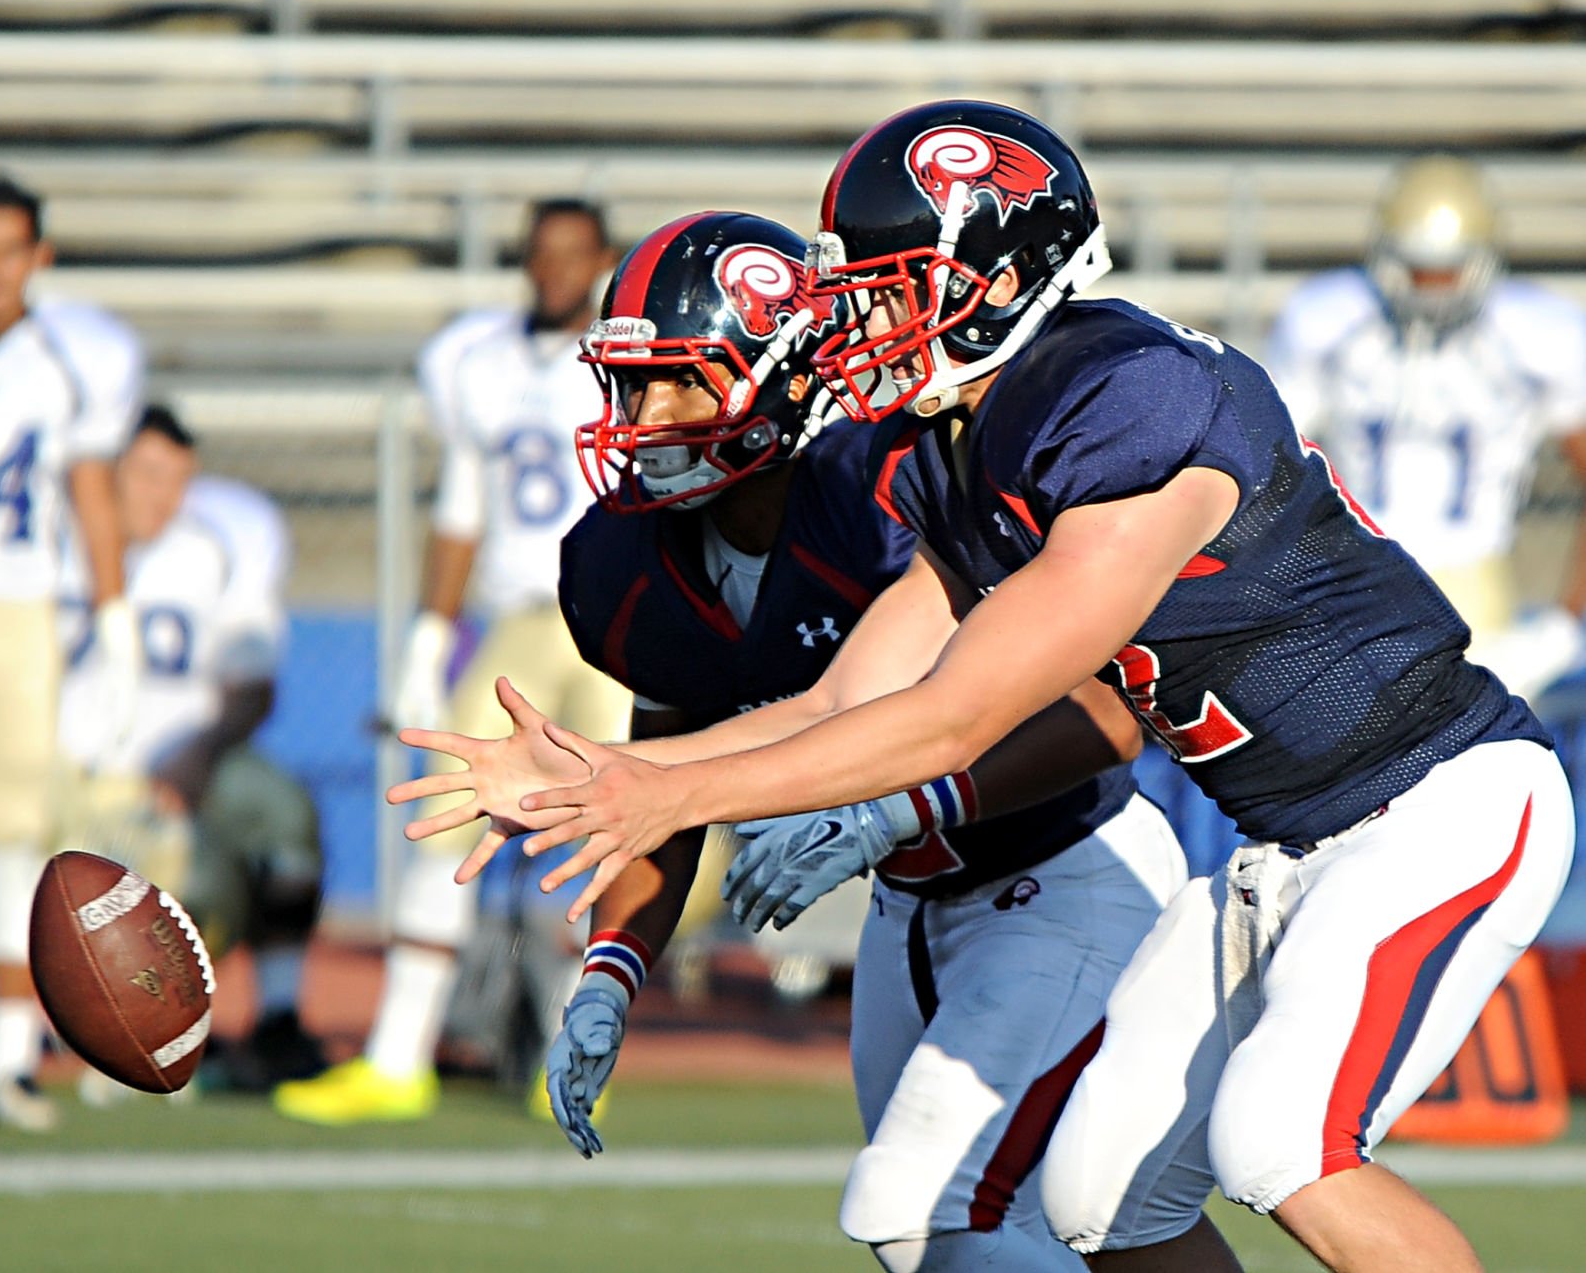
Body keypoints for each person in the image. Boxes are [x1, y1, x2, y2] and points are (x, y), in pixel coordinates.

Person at [397, 101, 1574, 1273]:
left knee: (1281, 1144)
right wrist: (616, 775)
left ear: (999, 276)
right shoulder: (963, 444)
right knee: (1099, 1193)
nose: (857, 314)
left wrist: (678, 796)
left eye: (889, 285)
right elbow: (839, 703)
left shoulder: (1122, 401)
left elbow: (955, 715)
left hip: (1435, 799)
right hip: (1283, 845)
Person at [454, 209, 1188, 1271]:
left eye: (681, 381)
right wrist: (613, 968)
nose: (645, 416)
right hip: (908, 907)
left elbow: (1103, 710)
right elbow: (674, 776)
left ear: (783, 373)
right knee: (1072, 1234)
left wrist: (906, 803)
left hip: (1065, 873)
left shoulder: (889, 490)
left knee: (929, 1209)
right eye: (631, 385)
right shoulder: (620, 566)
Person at [274, 198, 631, 1125]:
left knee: (612, 833)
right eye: (540, 255)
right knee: (445, 811)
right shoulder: (477, 361)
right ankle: (398, 1057)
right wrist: (429, 640)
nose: (554, 273)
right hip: (520, 614)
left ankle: (574, 1059)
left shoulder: (637, 354)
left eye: (572, 256)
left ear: (603, 259)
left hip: (623, 613)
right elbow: (462, 507)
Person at [56, 404, 327, 1094]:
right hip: (69, 780)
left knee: (282, 816)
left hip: (181, 778)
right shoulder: (52, 544)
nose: (161, 496)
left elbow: (255, 686)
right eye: (146, 474)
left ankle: (274, 1016)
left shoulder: (213, 548)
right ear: (108, 469)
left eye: (178, 479)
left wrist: (199, 755)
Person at [1266, 154, 1586, 701]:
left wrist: (1565, 622)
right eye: (1418, 268)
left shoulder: (1538, 332)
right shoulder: (1328, 318)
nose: (1433, 287)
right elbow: (1270, 469)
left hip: (1477, 585)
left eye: (1449, 270)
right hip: (1352, 576)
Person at [0, 173, 138, 1131]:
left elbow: (90, 486)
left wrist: (115, 615)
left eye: (7, 247)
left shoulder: (69, 356)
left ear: (39, 258)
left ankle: (6, 1054)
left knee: (14, 836)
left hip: (18, 603)